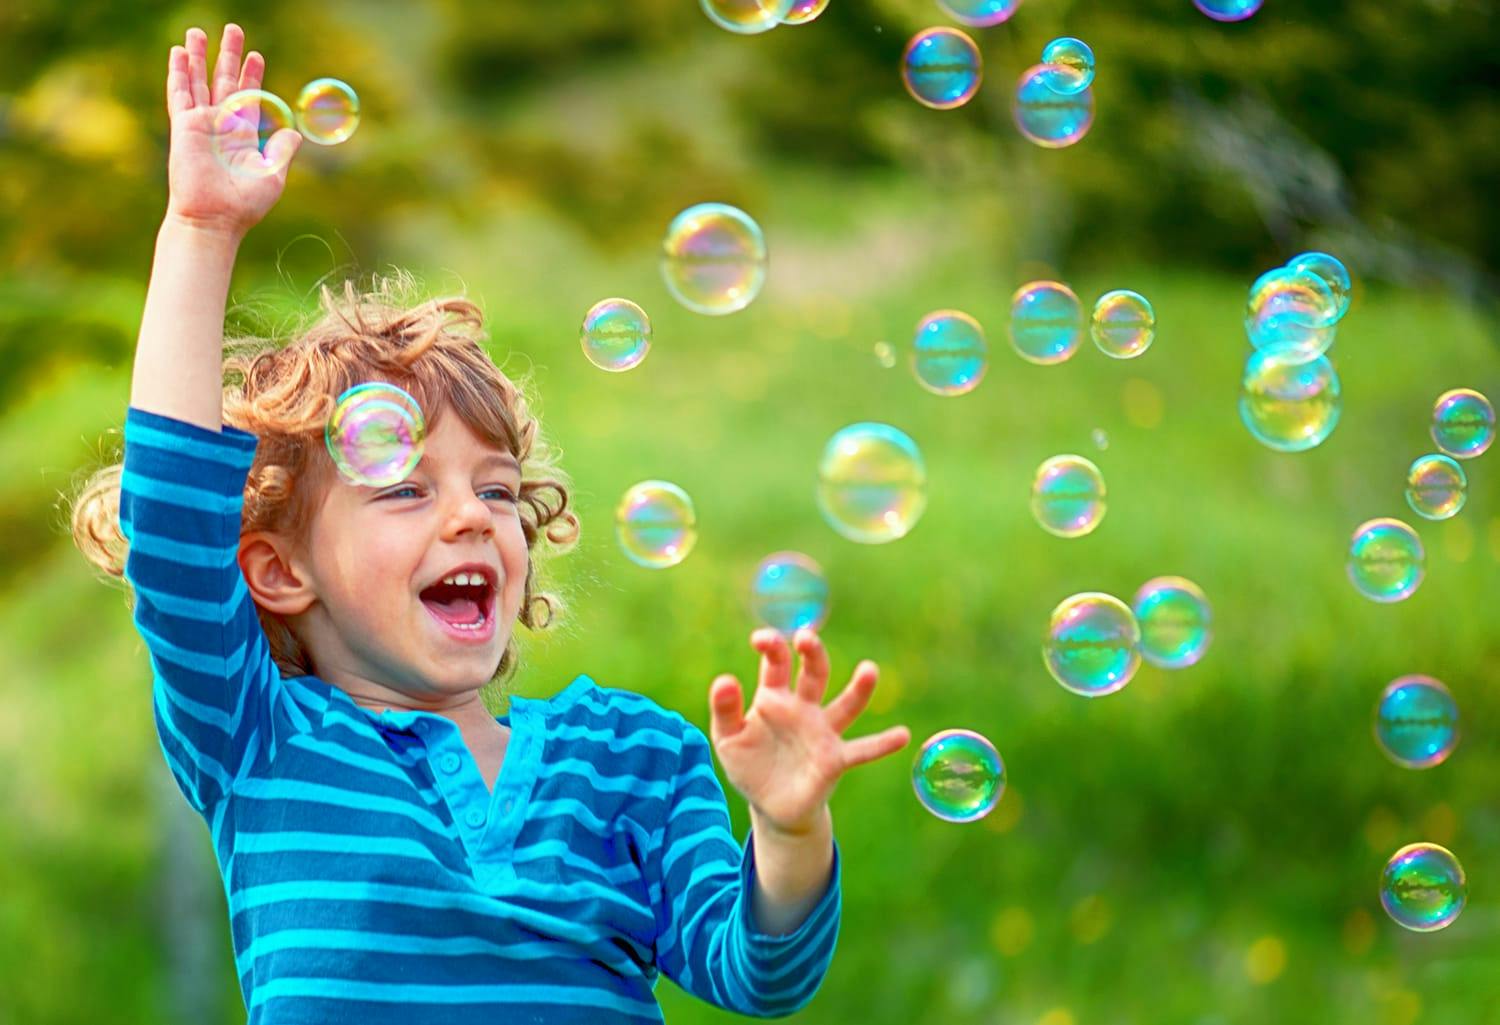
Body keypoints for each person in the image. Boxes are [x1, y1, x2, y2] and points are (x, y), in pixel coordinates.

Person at [68, 23, 911, 1023]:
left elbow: (759, 972)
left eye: (499, 489)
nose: (472, 515)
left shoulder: (628, 757)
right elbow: (169, 527)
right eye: (405, 487)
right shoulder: (262, 742)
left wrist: (787, 828)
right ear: (281, 571)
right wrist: (200, 233)